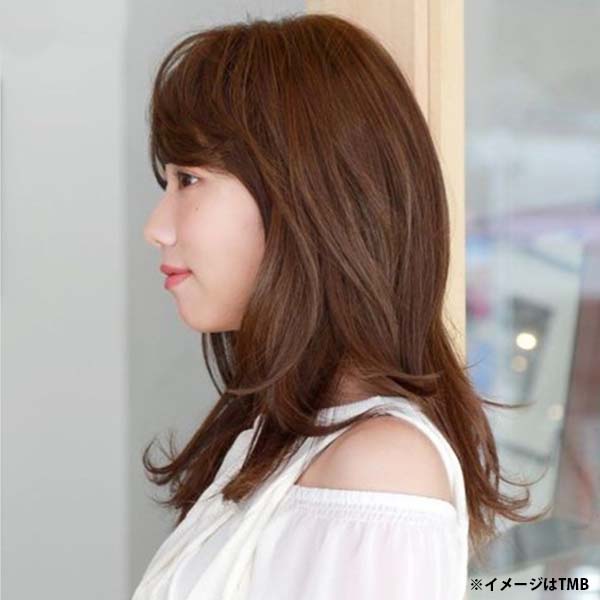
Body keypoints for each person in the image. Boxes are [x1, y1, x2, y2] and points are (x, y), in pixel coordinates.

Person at [135, 12, 550, 600]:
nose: (157, 227)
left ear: (305, 194)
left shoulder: (380, 472)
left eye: (189, 180)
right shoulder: (281, 447)